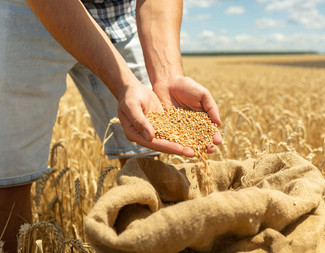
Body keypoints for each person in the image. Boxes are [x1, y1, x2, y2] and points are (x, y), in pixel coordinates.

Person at [0, 0, 222, 251]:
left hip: (117, 11)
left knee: (146, 160)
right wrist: (124, 84)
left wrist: (168, 76)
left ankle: (144, 243)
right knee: (9, 174)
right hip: (32, 9)